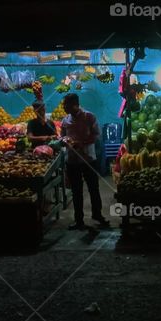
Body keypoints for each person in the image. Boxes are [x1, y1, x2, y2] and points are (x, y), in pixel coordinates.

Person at [60, 93, 108, 230]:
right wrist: (64, 141)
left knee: (93, 188)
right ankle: (79, 220)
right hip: (72, 160)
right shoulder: (65, 120)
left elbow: (96, 135)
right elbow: (62, 136)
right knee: (76, 191)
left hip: (88, 159)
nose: (64, 107)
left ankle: (97, 215)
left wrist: (81, 143)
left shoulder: (89, 117)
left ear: (75, 104)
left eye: (66, 105)